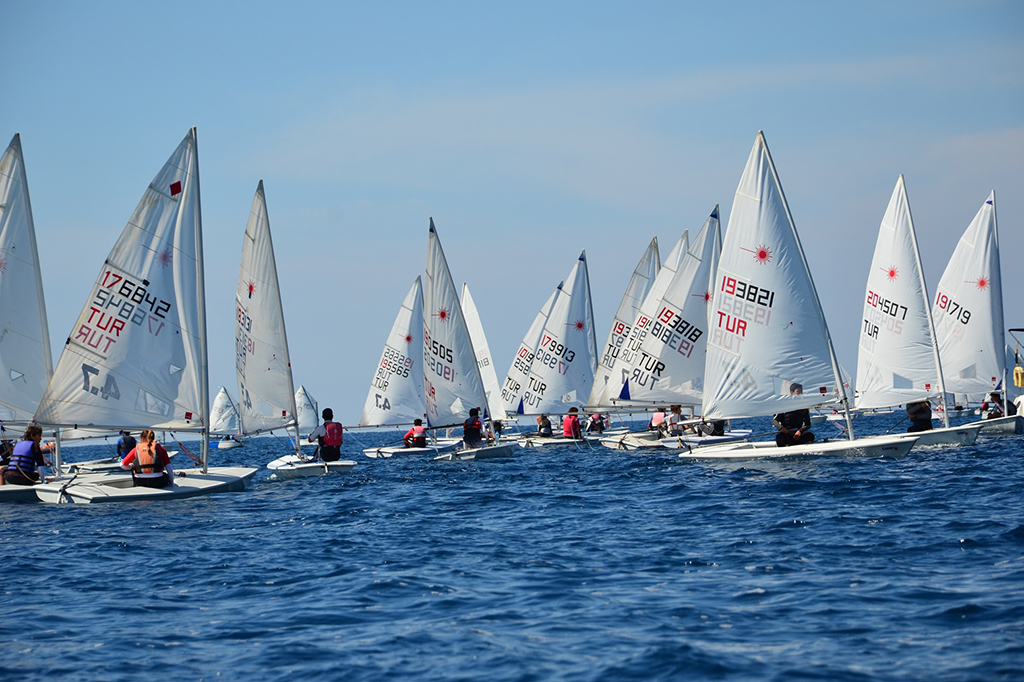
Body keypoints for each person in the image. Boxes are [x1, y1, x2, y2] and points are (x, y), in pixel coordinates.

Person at [773, 383, 815, 447]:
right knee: (780, 438)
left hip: (799, 432)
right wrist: (781, 428)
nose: (800, 394)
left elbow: (808, 424)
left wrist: (800, 431)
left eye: (801, 392)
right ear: (792, 392)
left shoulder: (803, 407)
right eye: (798, 392)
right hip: (786, 432)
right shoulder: (783, 407)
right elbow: (774, 421)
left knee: (810, 436)